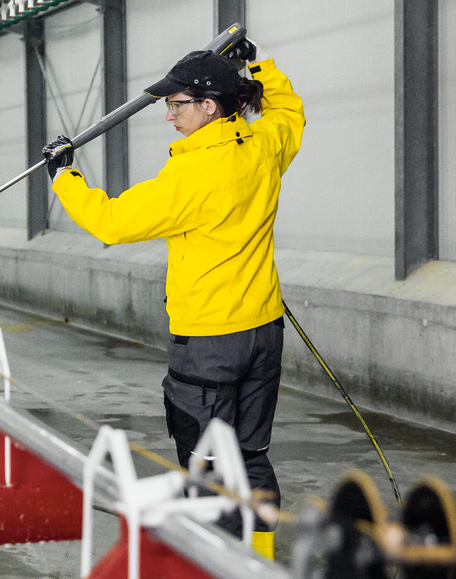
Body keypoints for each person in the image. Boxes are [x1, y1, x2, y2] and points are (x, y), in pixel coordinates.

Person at [41, 41, 302, 560]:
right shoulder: (264, 145)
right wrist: (256, 64)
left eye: (177, 104)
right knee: (251, 456)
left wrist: (63, 176)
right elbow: (289, 110)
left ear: (210, 106)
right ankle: (261, 564)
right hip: (264, 333)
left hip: (209, 342)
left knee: (207, 467)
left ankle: (220, 564)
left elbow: (112, 222)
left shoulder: (191, 175)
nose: (168, 115)